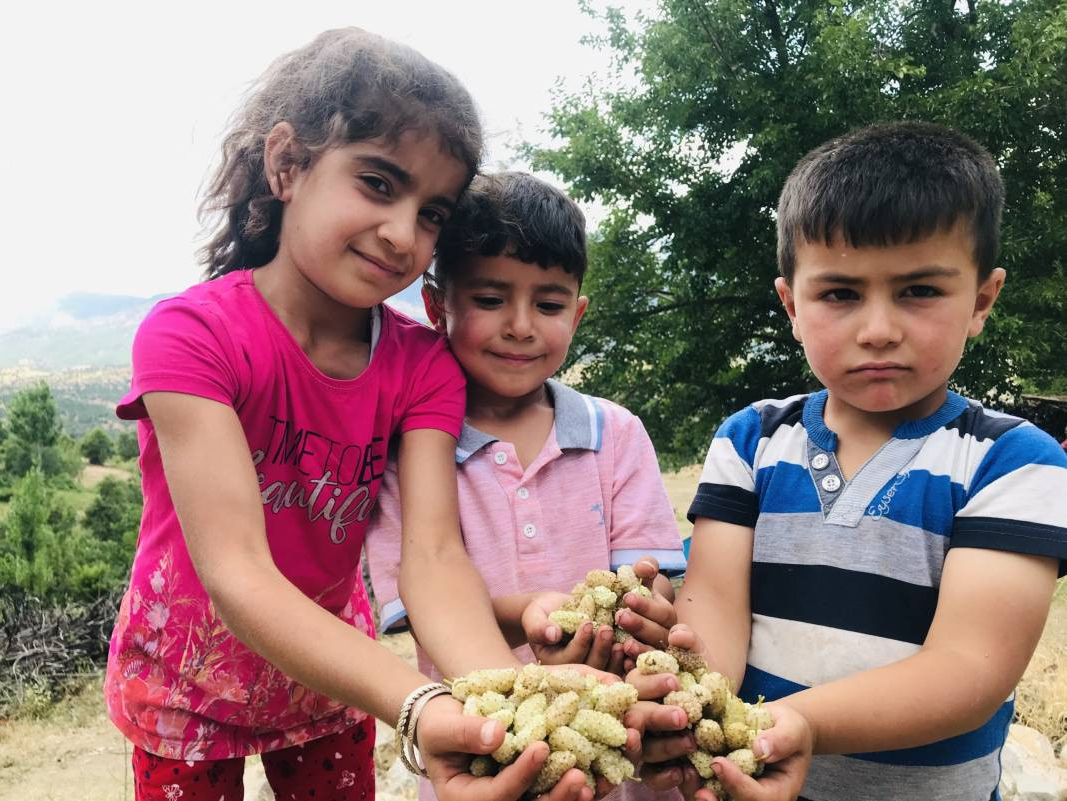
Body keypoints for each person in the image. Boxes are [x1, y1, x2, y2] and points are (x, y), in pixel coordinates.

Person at [104, 29, 596, 801]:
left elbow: (433, 557)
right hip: (184, 684)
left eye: (431, 212)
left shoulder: (419, 363)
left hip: (334, 685)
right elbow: (236, 570)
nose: (403, 234)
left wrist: (503, 708)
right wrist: (420, 701)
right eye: (377, 184)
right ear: (288, 164)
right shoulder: (190, 337)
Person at [640, 121, 1067, 801]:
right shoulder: (748, 440)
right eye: (839, 293)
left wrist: (794, 723)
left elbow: (970, 667)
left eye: (919, 290)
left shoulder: (1013, 464)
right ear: (792, 304)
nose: (877, 329)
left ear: (982, 300)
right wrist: (687, 705)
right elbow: (713, 606)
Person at [364, 172, 690, 799]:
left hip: (623, 746)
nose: (521, 326)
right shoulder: (413, 457)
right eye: (490, 300)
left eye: (548, 304)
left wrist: (639, 614)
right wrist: (534, 628)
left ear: (578, 311)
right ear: (437, 306)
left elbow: (650, 581)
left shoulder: (614, 434)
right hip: (488, 752)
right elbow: (422, 615)